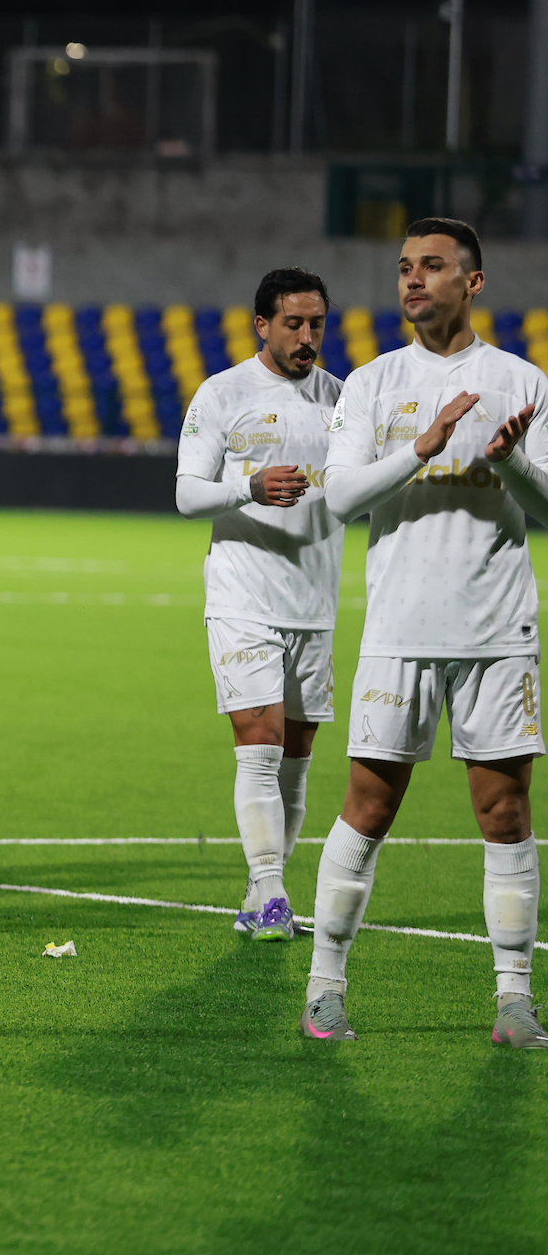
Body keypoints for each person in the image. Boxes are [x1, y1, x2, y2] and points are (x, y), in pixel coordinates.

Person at [300, 217, 548, 1047]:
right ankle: (324, 986)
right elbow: (339, 499)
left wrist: (509, 460)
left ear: (472, 283)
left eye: (432, 267)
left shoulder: (522, 381)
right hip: (399, 629)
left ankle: (514, 1000)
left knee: (504, 810)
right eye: (405, 267)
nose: (412, 280)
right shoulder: (372, 384)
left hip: (496, 628)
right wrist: (424, 444)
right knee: (366, 809)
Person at [173, 268, 344, 941]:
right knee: (261, 746)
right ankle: (273, 892)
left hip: (314, 601)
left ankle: (260, 887)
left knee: (298, 758)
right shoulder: (222, 394)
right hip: (244, 594)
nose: (307, 337)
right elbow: (188, 494)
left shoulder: (342, 399)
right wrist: (248, 486)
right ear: (262, 324)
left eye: (317, 324)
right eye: (294, 324)